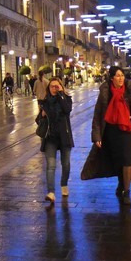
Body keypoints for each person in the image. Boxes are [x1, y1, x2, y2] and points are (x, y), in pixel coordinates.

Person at [91, 65, 131, 206]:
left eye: (122, 75)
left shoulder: (130, 93)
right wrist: (96, 135)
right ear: (111, 78)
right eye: (117, 75)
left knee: (127, 160)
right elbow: (97, 114)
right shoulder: (105, 93)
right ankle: (121, 183)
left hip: (128, 130)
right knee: (117, 161)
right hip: (110, 131)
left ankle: (127, 192)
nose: (121, 78)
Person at [38, 76, 73, 204]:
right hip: (50, 137)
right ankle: (51, 192)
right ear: (49, 88)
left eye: (56, 86)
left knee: (66, 164)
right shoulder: (44, 102)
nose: (54, 88)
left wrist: (60, 95)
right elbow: (38, 121)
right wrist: (41, 115)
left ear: (61, 87)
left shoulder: (66, 99)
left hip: (64, 136)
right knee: (51, 166)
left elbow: (67, 110)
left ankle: (64, 183)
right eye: (52, 86)